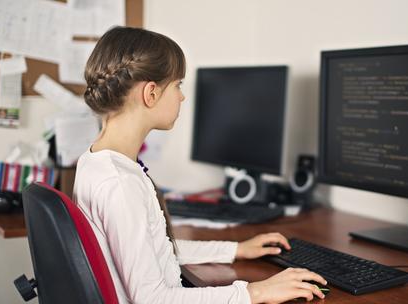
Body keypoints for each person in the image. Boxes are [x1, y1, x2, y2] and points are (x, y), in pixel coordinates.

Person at [73, 26, 326, 304]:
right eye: (178, 84)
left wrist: (234, 250)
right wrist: (256, 291)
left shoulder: (95, 161)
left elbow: (156, 251)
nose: (182, 96)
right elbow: (152, 299)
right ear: (151, 93)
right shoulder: (120, 183)